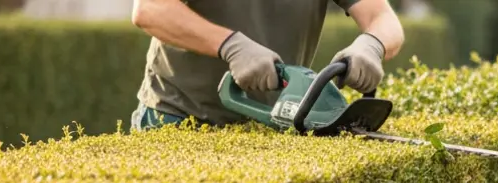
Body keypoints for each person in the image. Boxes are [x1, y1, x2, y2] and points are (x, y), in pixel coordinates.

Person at [129, 0, 405, 129]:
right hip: (178, 115)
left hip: (272, 121)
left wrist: (372, 44)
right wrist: (229, 45)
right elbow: (151, 9)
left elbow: (382, 16)